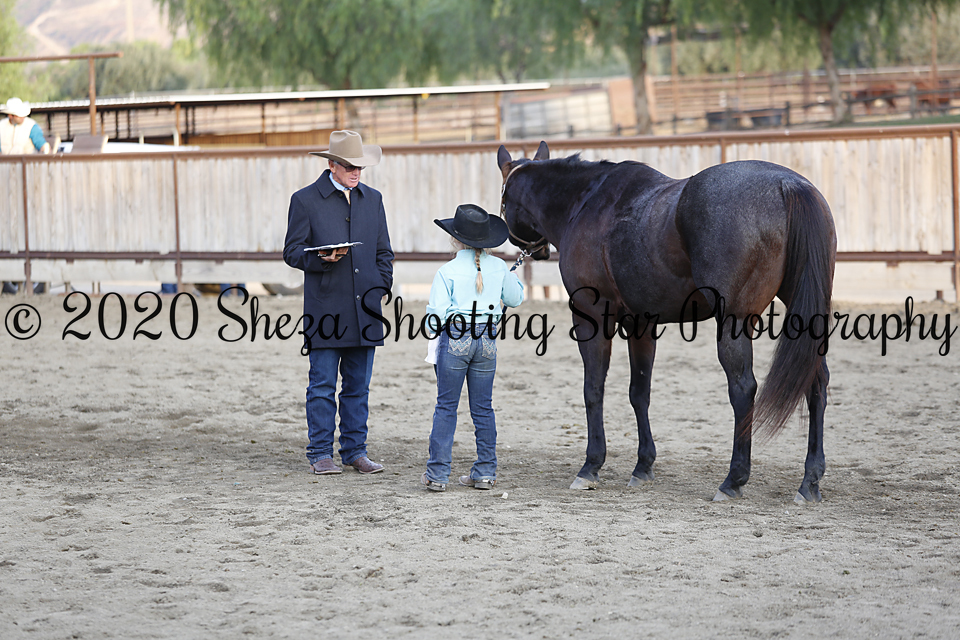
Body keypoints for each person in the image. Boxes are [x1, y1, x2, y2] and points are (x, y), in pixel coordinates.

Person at [282, 130, 394, 476]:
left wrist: (381, 286)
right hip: (325, 310)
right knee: (322, 386)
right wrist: (321, 259)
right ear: (332, 165)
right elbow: (292, 252)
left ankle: (355, 451)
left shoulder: (373, 199)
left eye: (359, 166)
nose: (356, 172)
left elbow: (384, 253)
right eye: (349, 166)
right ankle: (320, 453)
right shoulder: (304, 200)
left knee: (358, 387)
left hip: (366, 312)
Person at [420, 204, 524, 492]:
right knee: (483, 408)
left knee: (446, 407)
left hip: (455, 339)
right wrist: (509, 276)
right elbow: (515, 299)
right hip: (487, 340)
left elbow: (435, 317)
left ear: (456, 239)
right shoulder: (499, 267)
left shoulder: (447, 271)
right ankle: (485, 472)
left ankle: (438, 474)